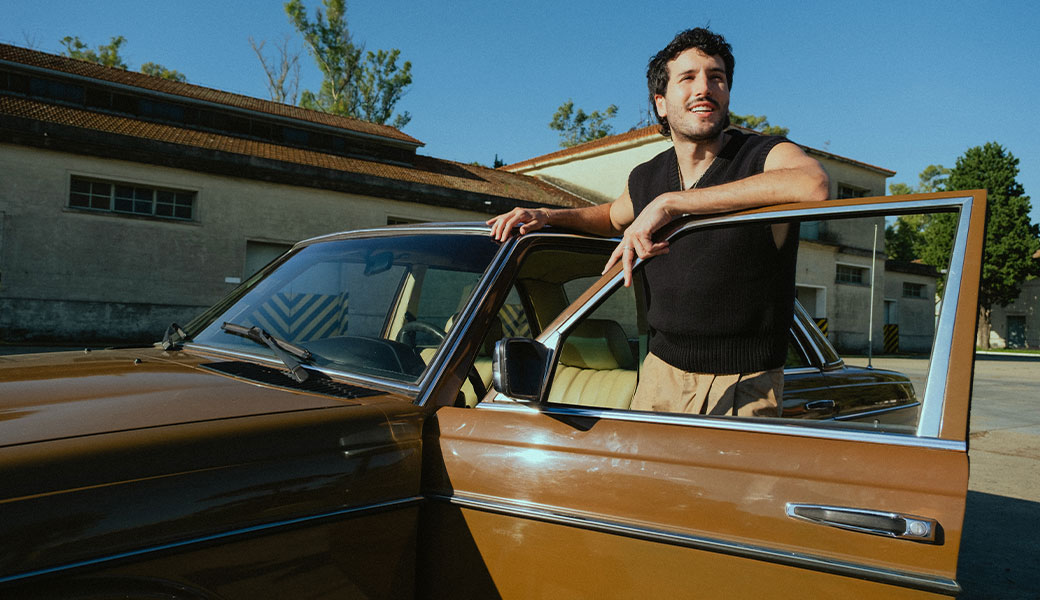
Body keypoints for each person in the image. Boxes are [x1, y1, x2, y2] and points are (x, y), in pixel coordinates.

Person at [488, 28, 829, 417]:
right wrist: (547, 215)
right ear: (661, 103)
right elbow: (610, 217)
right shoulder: (647, 176)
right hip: (659, 375)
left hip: (743, 382)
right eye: (688, 78)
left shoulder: (762, 154)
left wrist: (672, 204)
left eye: (716, 77)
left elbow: (814, 184)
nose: (705, 88)